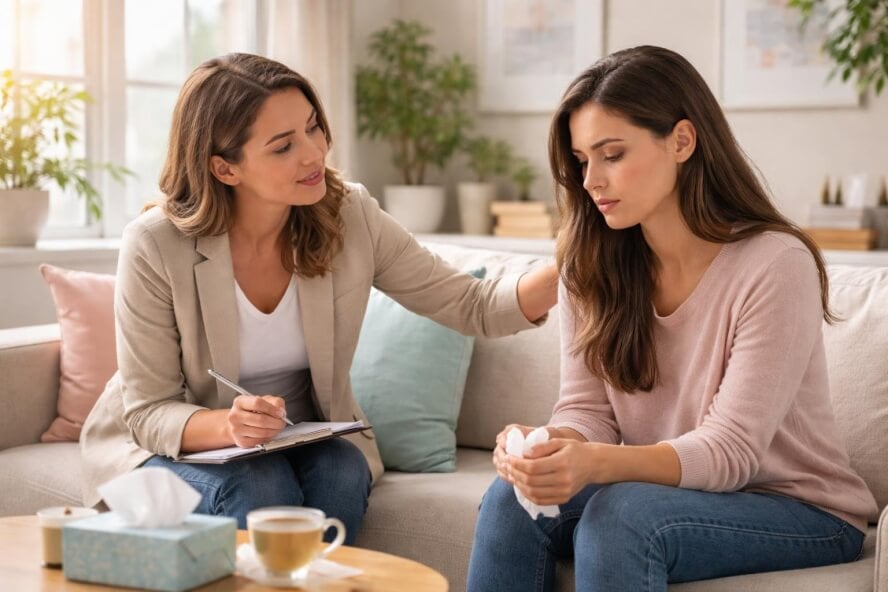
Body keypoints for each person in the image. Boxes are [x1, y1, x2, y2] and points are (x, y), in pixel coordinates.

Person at [79, 53, 558, 539]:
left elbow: (470, 304)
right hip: (169, 446)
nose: (313, 154)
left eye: (313, 128)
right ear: (225, 168)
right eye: (283, 146)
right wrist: (229, 426)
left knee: (341, 469)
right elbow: (148, 410)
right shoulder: (156, 243)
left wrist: (576, 264)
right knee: (257, 481)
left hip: (298, 437)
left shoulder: (348, 213)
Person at [467, 45, 877, 591]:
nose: (590, 181)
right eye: (583, 160)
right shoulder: (590, 262)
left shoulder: (776, 264)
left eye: (612, 155)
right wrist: (548, 443)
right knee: (509, 499)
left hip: (798, 507)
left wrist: (593, 463)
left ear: (682, 141)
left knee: (622, 516)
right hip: (671, 495)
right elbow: (587, 411)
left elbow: (730, 452)